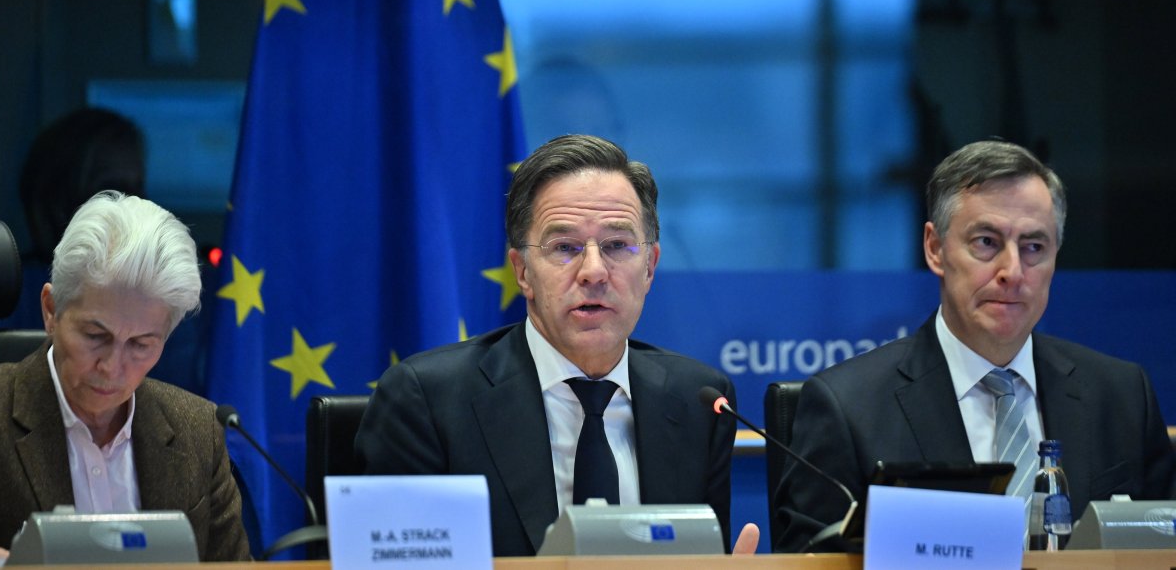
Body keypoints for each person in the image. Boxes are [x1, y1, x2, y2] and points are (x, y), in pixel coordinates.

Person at [771, 140, 1176, 552]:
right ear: (935, 249)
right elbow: (810, 561)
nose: (1013, 272)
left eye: (1034, 247)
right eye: (986, 242)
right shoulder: (849, 408)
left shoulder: (1122, 395)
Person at [356, 134, 748, 556]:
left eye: (617, 245)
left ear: (650, 267)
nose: (594, 271)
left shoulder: (698, 402)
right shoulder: (428, 402)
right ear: (522, 271)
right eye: (564, 247)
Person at [0, 191, 250, 566]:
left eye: (140, 344)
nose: (112, 366)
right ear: (51, 310)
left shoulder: (198, 432)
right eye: (95, 335)